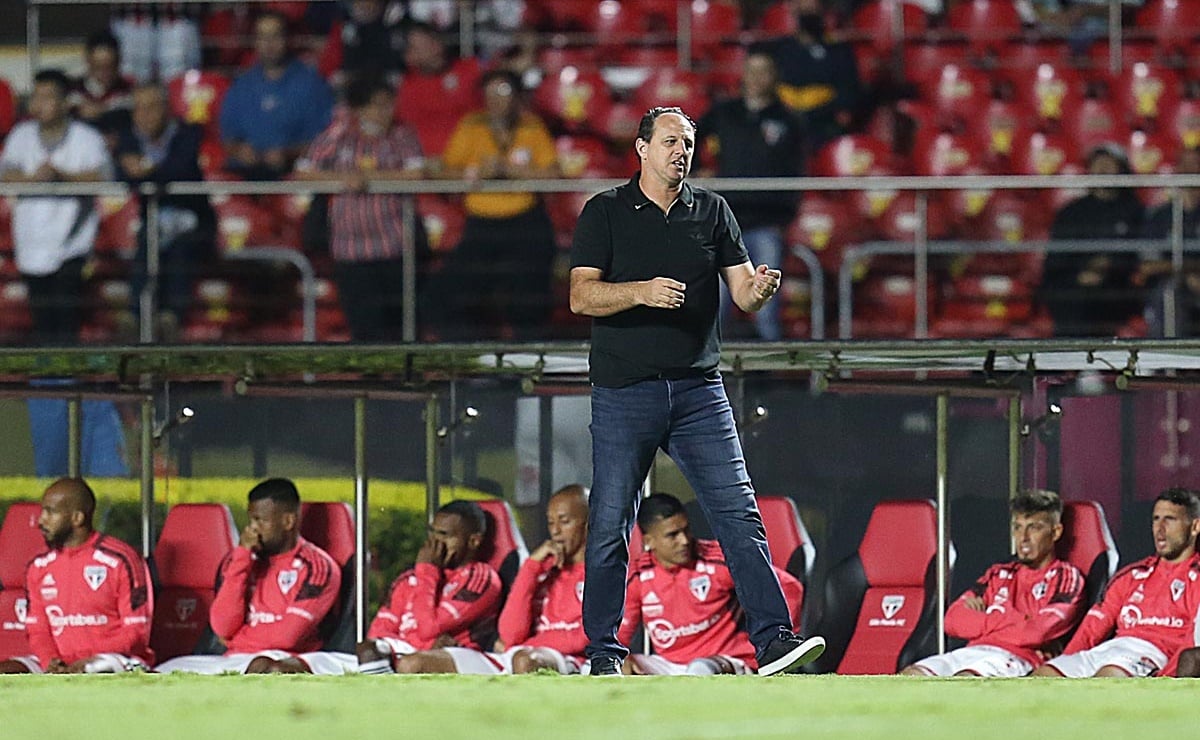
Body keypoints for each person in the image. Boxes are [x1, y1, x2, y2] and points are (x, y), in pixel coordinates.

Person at [568, 105, 824, 677]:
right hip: (625, 389)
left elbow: (743, 293)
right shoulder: (605, 211)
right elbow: (581, 297)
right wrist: (640, 292)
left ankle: (774, 642)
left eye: (687, 143)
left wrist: (759, 290)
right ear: (641, 148)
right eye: (670, 141)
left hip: (698, 391)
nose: (681, 152)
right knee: (610, 522)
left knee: (739, 513)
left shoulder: (712, 210)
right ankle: (604, 654)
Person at [386, 485, 589, 675]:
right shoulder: (542, 571)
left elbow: (588, 636)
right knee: (413, 664)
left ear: (589, 525)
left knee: (524, 661)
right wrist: (531, 568)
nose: (555, 531)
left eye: (564, 522)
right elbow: (510, 635)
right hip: (515, 655)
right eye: (551, 522)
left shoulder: (602, 574)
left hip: (569, 659)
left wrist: (525, 645)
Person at [154, 478, 342, 674]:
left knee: (263, 667)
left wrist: (237, 639)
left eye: (260, 521)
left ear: (288, 521)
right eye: (251, 520)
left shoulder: (316, 567)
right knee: (161, 672)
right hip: (234, 658)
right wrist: (242, 558)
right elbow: (222, 628)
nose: (252, 529)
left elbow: (287, 637)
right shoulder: (238, 560)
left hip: (283, 658)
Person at [899, 489, 1086, 677]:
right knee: (911, 674)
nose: (1023, 537)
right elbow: (952, 620)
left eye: (1034, 528)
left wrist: (987, 617)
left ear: (1055, 532)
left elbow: (1036, 633)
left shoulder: (1066, 577)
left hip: (1016, 657)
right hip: (972, 651)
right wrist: (1019, 619)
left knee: (965, 680)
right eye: (1017, 527)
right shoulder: (998, 573)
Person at [295, 74, 425, 342]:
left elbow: (416, 173)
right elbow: (305, 173)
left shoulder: (401, 136)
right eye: (377, 105)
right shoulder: (338, 136)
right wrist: (343, 179)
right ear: (358, 109)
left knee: (399, 324)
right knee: (363, 325)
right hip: (349, 249)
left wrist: (370, 178)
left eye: (388, 104)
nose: (385, 112)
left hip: (393, 245)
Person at [431, 68, 558, 339]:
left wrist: (510, 170)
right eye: (490, 93)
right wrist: (476, 172)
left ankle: (530, 354)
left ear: (517, 96)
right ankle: (470, 353)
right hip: (482, 224)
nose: (497, 100)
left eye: (503, 92)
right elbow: (445, 171)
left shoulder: (531, 126)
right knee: (455, 289)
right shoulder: (471, 125)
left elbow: (552, 173)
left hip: (524, 221)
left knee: (529, 292)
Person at [617, 494, 804, 676]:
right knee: (613, 666)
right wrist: (623, 658)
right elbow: (620, 636)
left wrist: (768, 648)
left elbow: (789, 587)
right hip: (670, 665)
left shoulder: (721, 559)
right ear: (649, 541)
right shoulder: (638, 576)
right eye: (672, 535)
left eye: (686, 530)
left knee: (700, 669)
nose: (684, 540)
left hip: (725, 660)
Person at [1031, 488, 1200, 678]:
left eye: (1170, 520)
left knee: (1108, 678)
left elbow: (1192, 644)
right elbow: (1093, 628)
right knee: (1044, 675)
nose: (1159, 529)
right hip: (1110, 650)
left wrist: (1164, 680)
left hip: (1151, 655)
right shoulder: (1132, 575)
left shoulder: (1196, 579)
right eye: (1156, 519)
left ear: (1195, 527)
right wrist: (1067, 659)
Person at [699, 50, 808, 341]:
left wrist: (784, 217)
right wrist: (695, 171)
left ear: (775, 77)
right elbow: (689, 138)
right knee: (717, 305)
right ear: (743, 75)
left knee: (767, 309)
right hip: (725, 225)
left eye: (764, 71)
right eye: (752, 70)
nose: (757, 78)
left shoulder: (789, 120)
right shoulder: (725, 112)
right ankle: (711, 365)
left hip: (767, 224)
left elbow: (797, 172)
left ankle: (772, 366)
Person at [0, 68, 111, 345]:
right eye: (36, 97)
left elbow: (103, 176)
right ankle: (47, 372)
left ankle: (68, 370)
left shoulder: (86, 138)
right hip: (31, 244)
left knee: (66, 321)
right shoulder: (21, 136)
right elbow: (6, 174)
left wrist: (62, 176)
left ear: (64, 102)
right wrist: (33, 179)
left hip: (71, 245)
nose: (40, 104)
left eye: (48, 97)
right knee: (42, 321)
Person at [0, 478, 153, 674]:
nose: (41, 521)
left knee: (91, 668)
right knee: (6, 671)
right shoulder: (38, 567)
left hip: (114, 658)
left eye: (50, 512)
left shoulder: (120, 560)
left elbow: (135, 633)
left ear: (77, 518)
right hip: (59, 662)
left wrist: (81, 658)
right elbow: (38, 631)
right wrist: (51, 662)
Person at [114, 81, 215, 340]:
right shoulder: (129, 138)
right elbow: (121, 174)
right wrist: (140, 170)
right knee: (147, 241)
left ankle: (172, 317)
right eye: (138, 109)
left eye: (151, 108)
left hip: (193, 222)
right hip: (152, 222)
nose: (144, 116)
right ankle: (135, 316)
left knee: (180, 248)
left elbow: (179, 168)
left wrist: (146, 168)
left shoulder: (188, 133)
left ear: (166, 109)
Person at [355, 500, 503, 674]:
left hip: (461, 655)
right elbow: (378, 632)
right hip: (416, 650)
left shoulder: (479, 577)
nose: (435, 542)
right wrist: (424, 645)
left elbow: (429, 628)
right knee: (368, 650)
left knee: (413, 664)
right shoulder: (409, 579)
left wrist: (427, 571)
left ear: (473, 541)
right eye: (432, 532)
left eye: (445, 535)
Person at [1041, 144, 1146, 337]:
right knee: (1068, 297)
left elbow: (1139, 257)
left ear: (1122, 170)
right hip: (1073, 286)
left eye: (1109, 163)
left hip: (1117, 286)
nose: (1103, 168)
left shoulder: (1135, 212)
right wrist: (1079, 276)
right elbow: (1055, 261)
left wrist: (1109, 266)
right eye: (1098, 162)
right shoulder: (1071, 212)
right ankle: (1071, 355)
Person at [219, 11, 335, 180]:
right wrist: (239, 151)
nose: (269, 44)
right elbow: (228, 139)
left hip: (296, 176)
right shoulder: (241, 86)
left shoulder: (313, 85)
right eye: (262, 37)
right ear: (255, 41)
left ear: (287, 39)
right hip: (245, 176)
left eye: (275, 36)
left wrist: (287, 154)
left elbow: (325, 140)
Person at [754, 0, 862, 148]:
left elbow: (848, 101)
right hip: (781, 132)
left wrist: (811, 115)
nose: (806, 5)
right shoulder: (776, 51)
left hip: (823, 132)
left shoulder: (840, 52)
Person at [393, 22, 483, 158]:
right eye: (426, 46)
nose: (436, 48)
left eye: (434, 41)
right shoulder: (405, 88)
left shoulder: (472, 70)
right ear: (409, 56)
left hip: (472, 160)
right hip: (426, 163)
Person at [1140, 146, 1200, 337]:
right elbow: (1148, 266)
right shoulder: (1159, 216)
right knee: (1167, 294)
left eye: (1195, 164)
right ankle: (1165, 355)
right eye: (1184, 164)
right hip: (1174, 285)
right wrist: (1187, 272)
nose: (1189, 170)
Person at [316, 0, 408, 91]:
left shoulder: (396, 25)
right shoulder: (346, 25)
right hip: (352, 83)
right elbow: (328, 65)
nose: (365, 6)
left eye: (370, 4)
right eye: (360, 3)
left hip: (387, 81)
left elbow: (401, 62)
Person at [69, 30, 133, 140]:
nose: (105, 73)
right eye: (98, 67)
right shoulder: (72, 90)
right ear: (88, 61)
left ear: (119, 61)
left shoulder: (129, 90)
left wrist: (102, 110)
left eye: (110, 66)